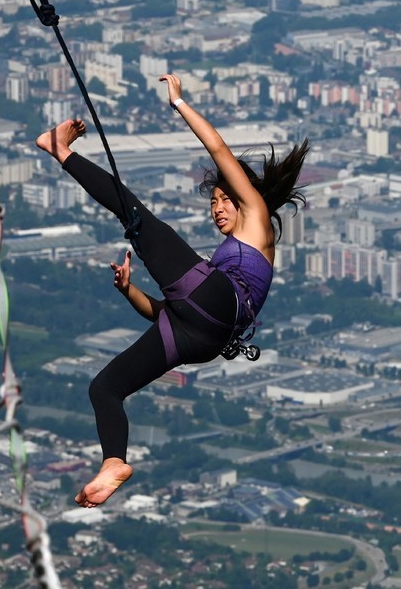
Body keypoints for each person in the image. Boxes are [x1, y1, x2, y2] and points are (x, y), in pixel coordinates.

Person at [35, 73, 310, 508]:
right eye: (213, 203)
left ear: (245, 200)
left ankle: (58, 149)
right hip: (202, 334)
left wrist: (179, 103)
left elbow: (218, 150)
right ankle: (113, 463)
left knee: (137, 215)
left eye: (225, 200)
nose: (218, 209)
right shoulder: (222, 258)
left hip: (216, 309)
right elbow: (164, 312)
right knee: (104, 388)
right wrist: (130, 291)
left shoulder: (257, 218)